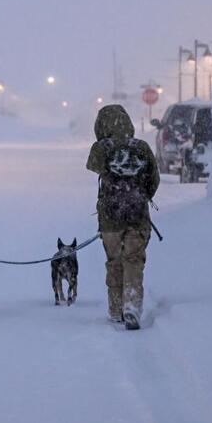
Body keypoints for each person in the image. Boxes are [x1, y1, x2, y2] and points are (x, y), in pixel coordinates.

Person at [86, 105, 160, 330]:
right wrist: (141, 195)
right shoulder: (142, 147)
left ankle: (116, 308)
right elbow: (154, 178)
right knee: (134, 260)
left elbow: (93, 166)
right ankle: (132, 305)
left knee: (114, 261)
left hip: (110, 217)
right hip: (137, 215)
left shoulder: (101, 148)